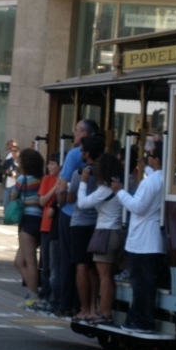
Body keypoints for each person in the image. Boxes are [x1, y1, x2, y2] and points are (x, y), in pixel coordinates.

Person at [111, 141, 165, 333]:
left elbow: (137, 207)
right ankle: (137, 319)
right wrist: (146, 168)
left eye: (150, 156)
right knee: (145, 284)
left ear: (157, 159)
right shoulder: (162, 178)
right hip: (152, 241)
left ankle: (142, 321)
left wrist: (120, 192)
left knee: (141, 286)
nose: (148, 159)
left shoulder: (149, 182)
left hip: (143, 241)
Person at [56, 119, 99, 317]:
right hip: (96, 218)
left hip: (73, 215)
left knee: (70, 261)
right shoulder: (103, 161)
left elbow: (64, 188)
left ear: (85, 134)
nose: (73, 135)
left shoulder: (74, 155)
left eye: (76, 131)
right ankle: (88, 306)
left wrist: (60, 204)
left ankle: (67, 304)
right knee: (90, 265)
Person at [77, 153, 124, 325]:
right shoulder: (119, 184)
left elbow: (82, 203)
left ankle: (104, 312)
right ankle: (104, 311)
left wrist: (83, 182)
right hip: (118, 231)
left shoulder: (105, 189)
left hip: (105, 231)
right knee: (109, 276)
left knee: (104, 276)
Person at [67, 135, 104, 321]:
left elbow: (70, 198)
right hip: (97, 223)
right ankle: (93, 307)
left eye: (82, 150)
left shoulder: (79, 173)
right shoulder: (102, 174)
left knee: (81, 265)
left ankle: (83, 308)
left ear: (87, 153)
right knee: (93, 267)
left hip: (80, 222)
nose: (80, 153)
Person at [12, 149, 44, 308]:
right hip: (40, 221)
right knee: (19, 260)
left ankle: (34, 295)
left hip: (27, 220)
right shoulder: (42, 179)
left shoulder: (22, 179)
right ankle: (33, 291)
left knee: (30, 261)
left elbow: (13, 196)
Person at [35, 152, 60, 312]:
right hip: (45, 226)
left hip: (56, 227)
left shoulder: (63, 180)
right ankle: (44, 295)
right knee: (45, 265)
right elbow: (42, 201)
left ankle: (53, 297)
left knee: (54, 266)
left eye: (52, 164)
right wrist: (54, 189)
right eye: (48, 164)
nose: (49, 167)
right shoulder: (47, 180)